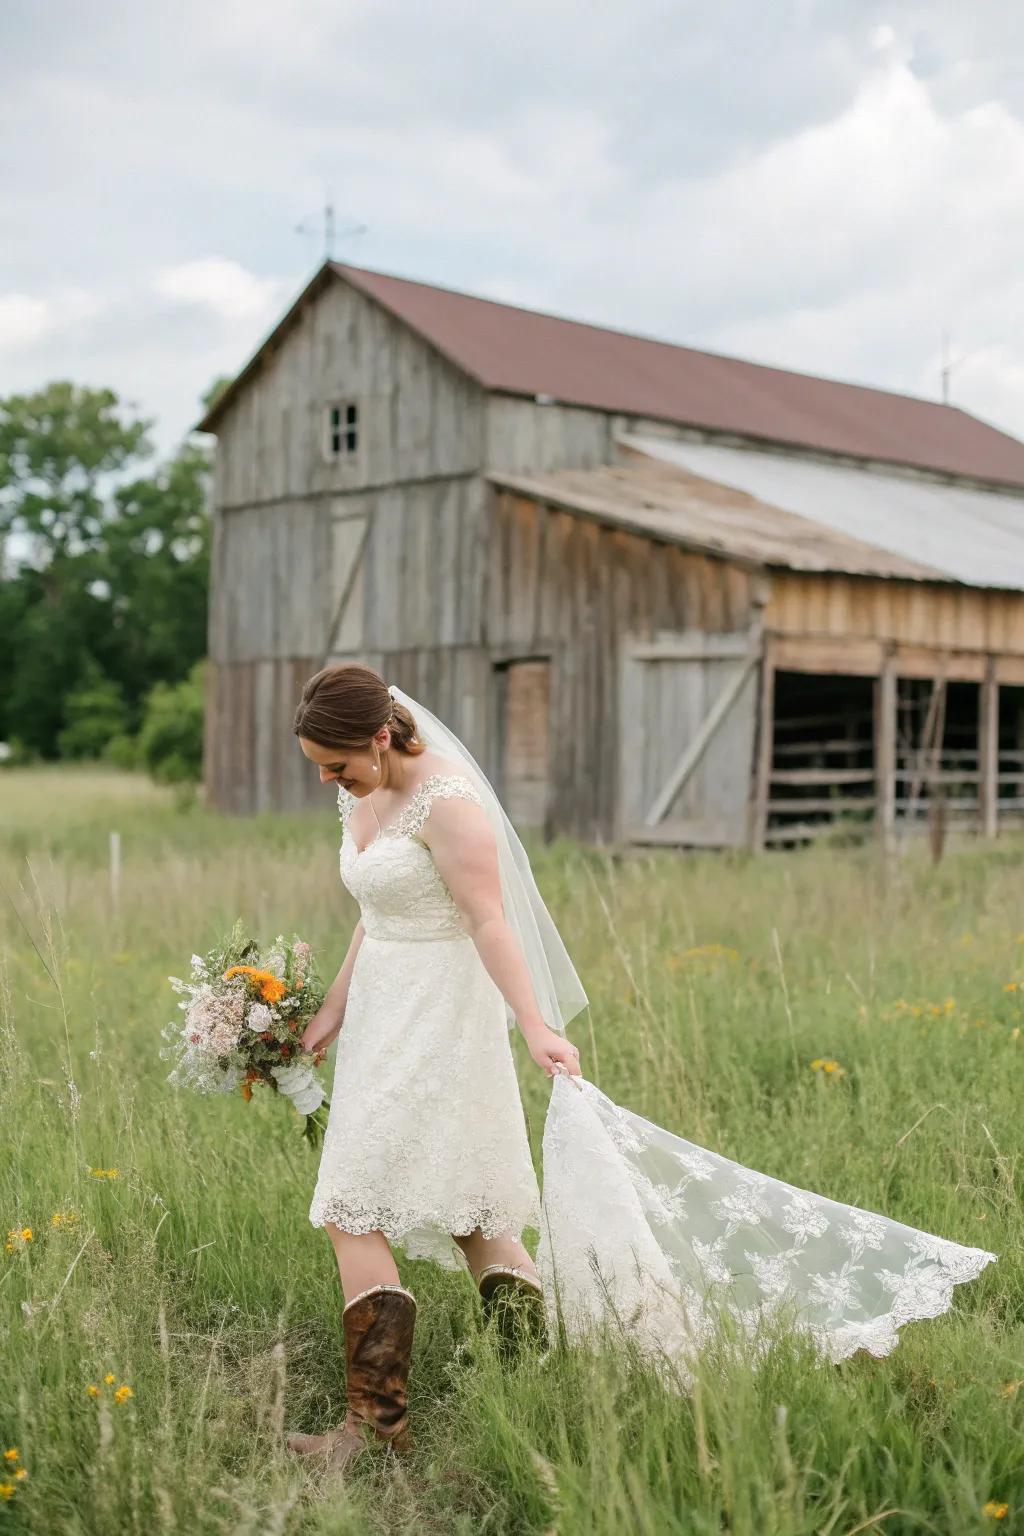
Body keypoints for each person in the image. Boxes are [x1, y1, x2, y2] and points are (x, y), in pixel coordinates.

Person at [285, 662, 584, 1471]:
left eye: (337, 764)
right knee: (474, 1211)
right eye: (319, 764)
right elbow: (375, 911)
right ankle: (536, 1384)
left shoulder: (449, 803)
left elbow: (489, 919)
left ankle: (376, 1430)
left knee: (359, 1205)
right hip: (384, 1003)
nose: (327, 779)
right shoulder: (363, 790)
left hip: (445, 1007)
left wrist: (534, 1025)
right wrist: (336, 1010)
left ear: (381, 737)